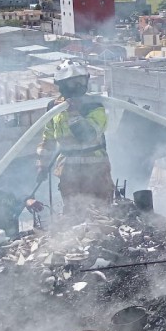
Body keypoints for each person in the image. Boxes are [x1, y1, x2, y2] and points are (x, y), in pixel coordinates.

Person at [36, 59, 113, 219]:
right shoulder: (54, 108)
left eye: (81, 81)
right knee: (74, 212)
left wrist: (74, 113)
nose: (78, 87)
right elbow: (48, 139)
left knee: (101, 212)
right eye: (73, 83)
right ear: (62, 85)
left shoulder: (95, 105)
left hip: (96, 168)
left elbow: (87, 135)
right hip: (68, 170)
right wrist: (42, 166)